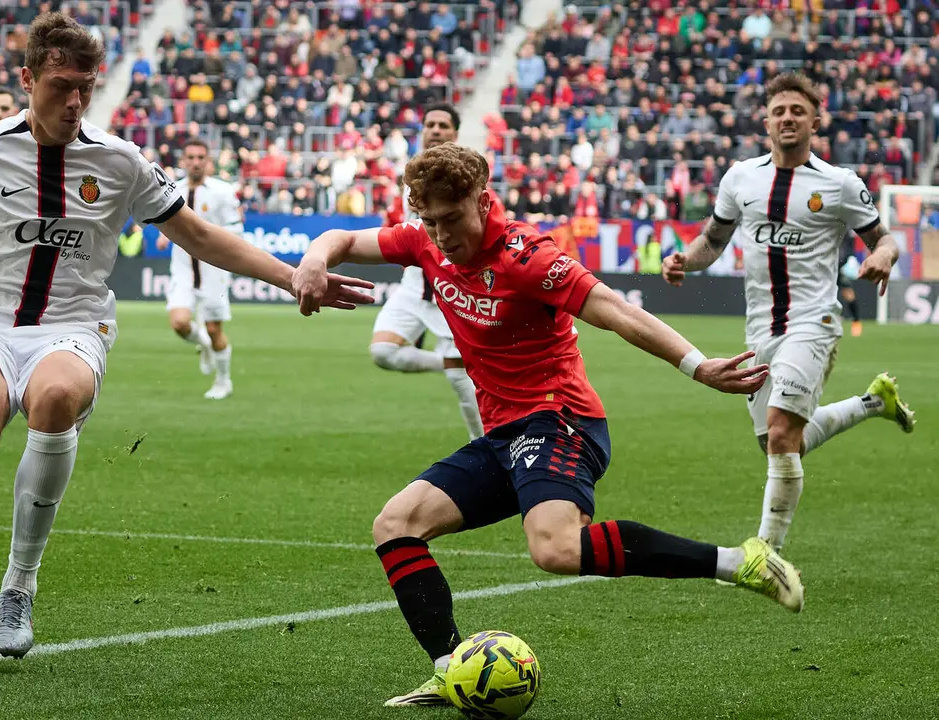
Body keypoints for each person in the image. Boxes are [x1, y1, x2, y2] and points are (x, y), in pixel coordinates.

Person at [0, 12, 373, 671]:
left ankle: (19, 586)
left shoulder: (119, 160)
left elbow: (199, 235)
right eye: (61, 85)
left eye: (86, 86)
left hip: (72, 323)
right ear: (27, 79)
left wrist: (291, 276)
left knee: (54, 396)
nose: (75, 100)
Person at [293, 142, 803, 709]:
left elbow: (616, 309)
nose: (440, 235)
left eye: (451, 219)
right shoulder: (422, 241)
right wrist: (316, 258)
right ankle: (451, 668)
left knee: (554, 548)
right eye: (430, 222)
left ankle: (739, 562)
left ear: (483, 202)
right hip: (504, 433)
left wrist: (697, 364)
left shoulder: (526, 256)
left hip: (561, 418)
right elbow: (343, 240)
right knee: (396, 524)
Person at [663, 72, 915, 554]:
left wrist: (883, 256)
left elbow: (884, 237)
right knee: (782, 443)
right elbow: (712, 241)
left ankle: (766, 553)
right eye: (779, 111)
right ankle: (873, 403)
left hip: (813, 321)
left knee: (781, 429)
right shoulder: (741, 177)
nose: (788, 118)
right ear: (766, 122)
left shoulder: (839, 184)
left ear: (815, 122)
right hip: (760, 328)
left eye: (798, 111)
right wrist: (683, 262)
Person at [369, 104, 483, 440]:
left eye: (443, 125)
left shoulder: (468, 177)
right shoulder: (410, 176)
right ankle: (448, 362)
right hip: (414, 285)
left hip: (454, 287)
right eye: (429, 124)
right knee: (382, 351)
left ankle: (490, 452)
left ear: (455, 134)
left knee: (463, 386)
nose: (434, 130)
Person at [155, 139, 240, 399]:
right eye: (190, 157)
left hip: (213, 271)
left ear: (208, 162)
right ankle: (203, 344)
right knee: (180, 323)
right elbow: (165, 221)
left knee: (215, 330)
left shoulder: (223, 192)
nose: (195, 162)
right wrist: (164, 235)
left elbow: (236, 230)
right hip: (183, 270)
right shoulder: (172, 191)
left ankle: (223, 381)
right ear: (183, 162)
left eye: (201, 157)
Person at [836, 229, 863, 336]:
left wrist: (842, 263)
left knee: (848, 293)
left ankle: (856, 322)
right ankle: (825, 321)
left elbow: (849, 250)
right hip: (826, 267)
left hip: (839, 266)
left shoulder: (846, 230)